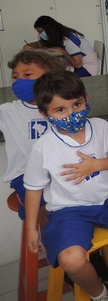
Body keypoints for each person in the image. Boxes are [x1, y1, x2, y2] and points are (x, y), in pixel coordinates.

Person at [23, 72, 108, 299]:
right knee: (71, 260)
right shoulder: (43, 147)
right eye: (60, 110)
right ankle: (101, 293)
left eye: (77, 104)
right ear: (45, 114)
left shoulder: (100, 126)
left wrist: (97, 165)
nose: (72, 114)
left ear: (86, 99)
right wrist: (31, 227)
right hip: (68, 211)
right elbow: (33, 188)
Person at [1, 51, 65, 219]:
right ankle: (40, 234)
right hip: (24, 174)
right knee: (42, 203)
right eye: (15, 76)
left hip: (58, 170)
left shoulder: (63, 107)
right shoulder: (8, 111)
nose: (19, 81)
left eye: (28, 75)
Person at [23, 15, 100, 77]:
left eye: (41, 31)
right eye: (38, 32)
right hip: (76, 65)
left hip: (87, 68)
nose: (40, 34)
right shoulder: (55, 36)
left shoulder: (68, 39)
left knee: (54, 78)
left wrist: (62, 51)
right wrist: (27, 46)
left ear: (49, 29)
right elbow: (37, 44)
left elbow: (78, 64)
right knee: (49, 72)